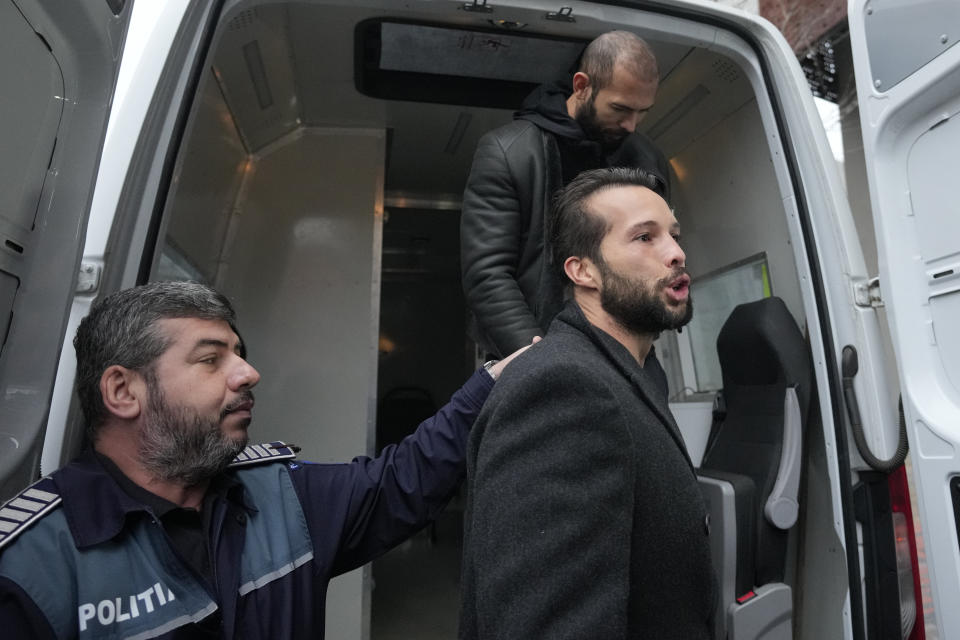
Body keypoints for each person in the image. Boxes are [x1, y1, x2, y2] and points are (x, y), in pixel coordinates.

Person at [0, 281, 527, 639]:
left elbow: (404, 480)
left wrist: (492, 384)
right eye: (211, 359)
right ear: (122, 391)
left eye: (239, 354)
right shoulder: (32, 565)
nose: (247, 373)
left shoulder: (282, 496)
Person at [459, 168, 716, 639]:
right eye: (645, 237)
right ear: (583, 271)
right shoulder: (563, 389)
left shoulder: (628, 375)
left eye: (674, 236)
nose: (676, 253)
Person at [460, 30, 671, 359]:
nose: (631, 125)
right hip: (532, 351)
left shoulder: (649, 159)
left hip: (629, 355)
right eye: (620, 108)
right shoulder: (508, 151)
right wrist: (538, 359)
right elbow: (487, 273)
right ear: (582, 86)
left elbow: (657, 250)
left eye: (642, 111)